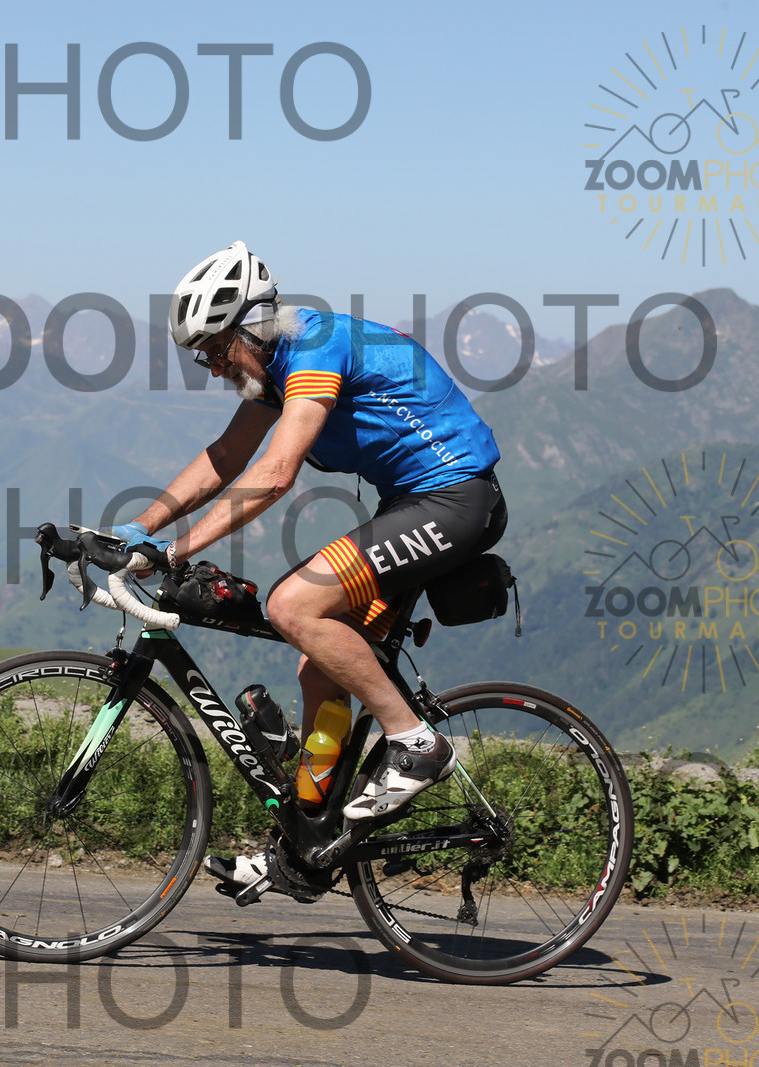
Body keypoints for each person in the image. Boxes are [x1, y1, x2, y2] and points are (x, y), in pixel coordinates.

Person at [105, 241, 506, 890]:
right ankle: (305, 846)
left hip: (457, 499)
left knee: (291, 605)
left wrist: (176, 551)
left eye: (217, 349)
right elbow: (226, 456)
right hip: (416, 503)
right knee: (319, 666)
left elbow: (274, 473)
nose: (214, 367)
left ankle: (417, 743)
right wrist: (139, 528)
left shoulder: (318, 348)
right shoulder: (275, 366)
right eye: (203, 355)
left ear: (254, 327)